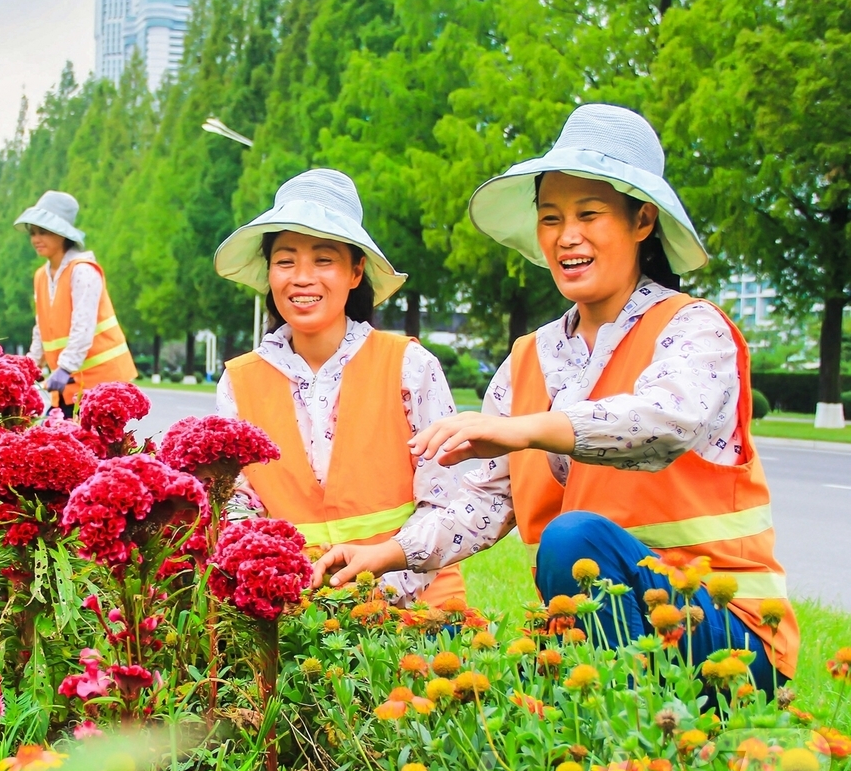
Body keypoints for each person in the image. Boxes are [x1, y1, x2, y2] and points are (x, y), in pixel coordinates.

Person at [313, 104, 798, 686]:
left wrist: (527, 428)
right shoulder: (528, 361)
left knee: (574, 540)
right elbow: (481, 502)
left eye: (589, 215)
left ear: (642, 221)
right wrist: (385, 554)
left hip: (727, 634)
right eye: (550, 219)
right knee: (453, 656)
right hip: (596, 627)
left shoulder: (694, 329)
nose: (567, 238)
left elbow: (665, 421)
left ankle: (633, 738)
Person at [214, 168, 468, 608]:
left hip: (416, 608)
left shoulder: (409, 365)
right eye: (286, 260)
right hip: (296, 614)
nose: (302, 277)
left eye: (324, 260)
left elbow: (444, 502)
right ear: (269, 272)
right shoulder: (239, 382)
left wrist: (372, 594)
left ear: (356, 272)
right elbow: (238, 505)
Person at [15, 190, 137, 418]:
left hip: (102, 384)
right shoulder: (42, 276)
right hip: (68, 385)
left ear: (61, 234)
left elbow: (83, 326)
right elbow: (41, 329)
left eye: (43, 232)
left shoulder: (83, 271)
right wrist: (30, 367)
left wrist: (65, 368)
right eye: (32, 233)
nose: (35, 239)